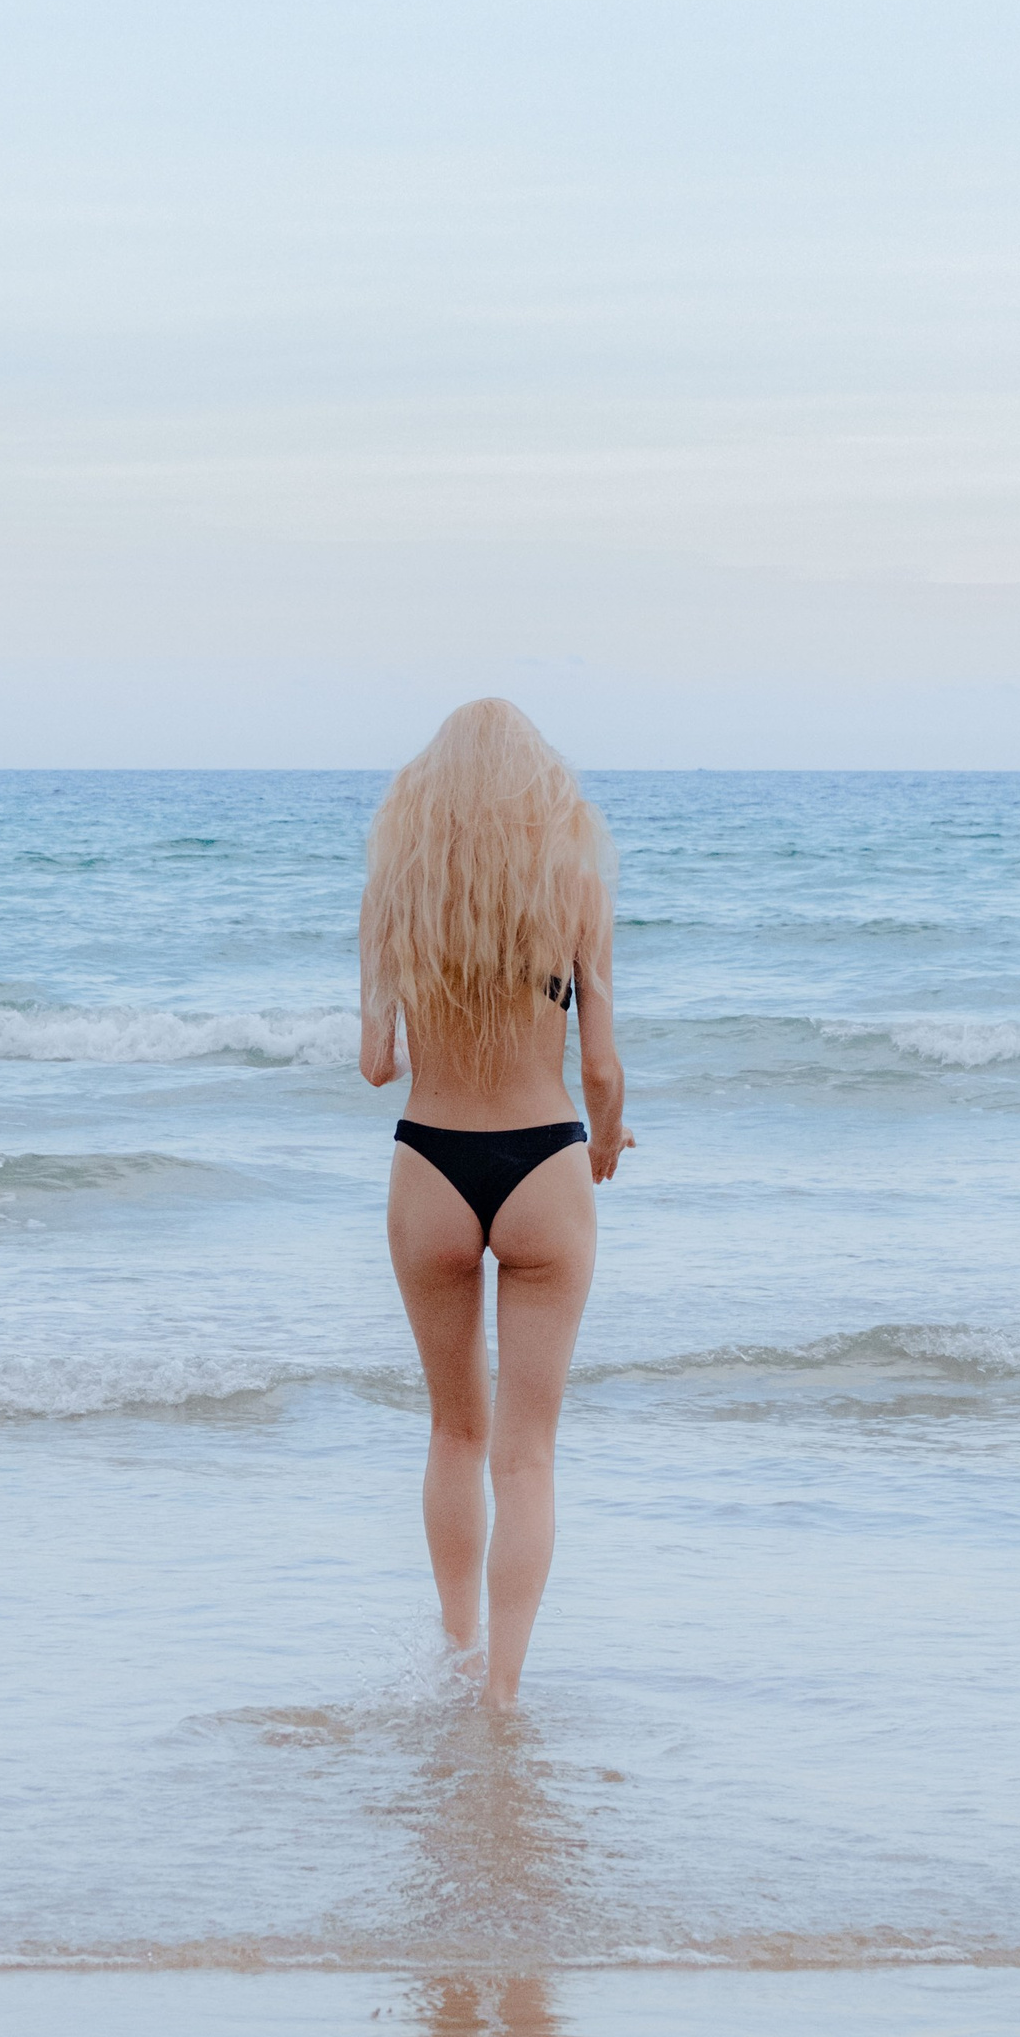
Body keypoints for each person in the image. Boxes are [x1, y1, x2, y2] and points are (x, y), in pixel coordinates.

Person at [359, 700, 631, 1707]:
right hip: (543, 1165)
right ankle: (501, 1697)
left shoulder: (397, 892)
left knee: (454, 1434)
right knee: (525, 1458)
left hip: (430, 1163)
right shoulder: (575, 887)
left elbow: (375, 1062)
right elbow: (599, 1068)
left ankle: (457, 1653)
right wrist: (606, 1139)